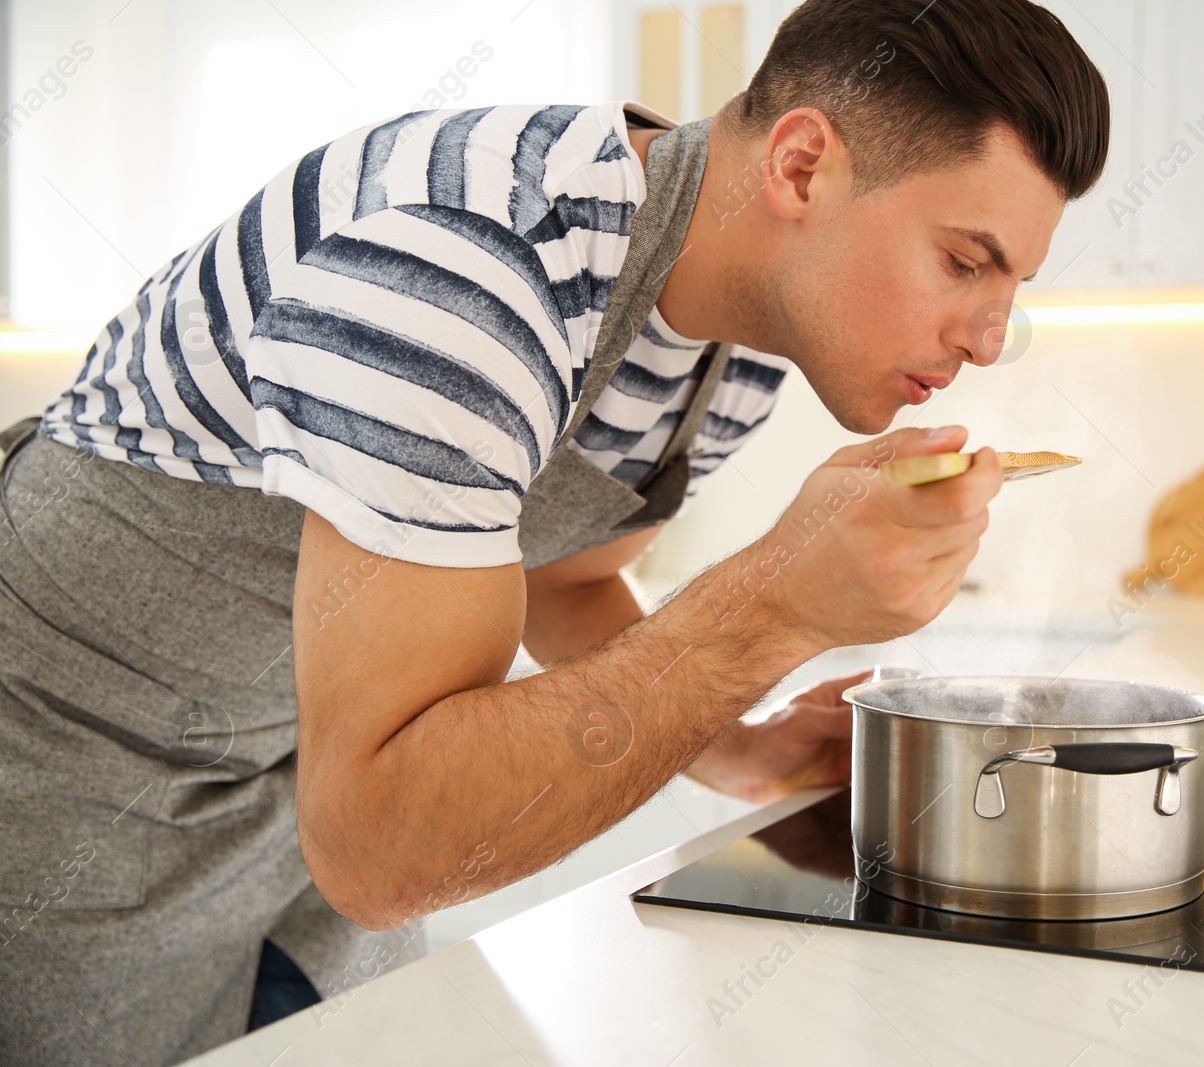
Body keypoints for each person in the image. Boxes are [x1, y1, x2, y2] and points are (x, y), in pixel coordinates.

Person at [0, 0, 1109, 1061]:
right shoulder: (460, 269)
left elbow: (564, 582)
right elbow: (381, 844)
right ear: (801, 165)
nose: (989, 337)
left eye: (1011, 282)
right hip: (64, 787)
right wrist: (775, 603)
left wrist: (737, 741)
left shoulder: (743, 349)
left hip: (292, 808)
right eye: (965, 262)